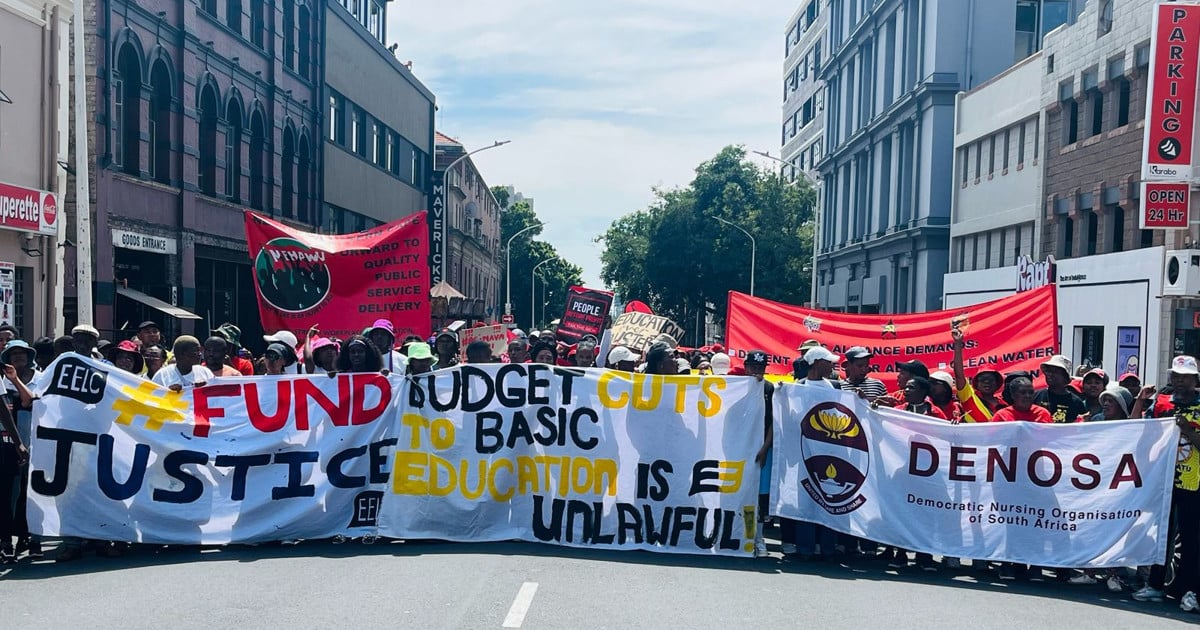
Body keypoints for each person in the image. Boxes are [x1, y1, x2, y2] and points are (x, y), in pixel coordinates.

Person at [1133, 355, 1200, 609]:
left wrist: (1188, 430)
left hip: (1193, 482)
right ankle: (1155, 585)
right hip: (1162, 481)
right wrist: (1140, 401)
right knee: (1161, 536)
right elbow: (1137, 432)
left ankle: (1191, 590)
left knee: (1191, 539)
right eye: (1176, 376)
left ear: (1195, 379)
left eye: (1186, 377)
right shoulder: (1161, 405)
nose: (1180, 381)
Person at [0, 340, 38, 561]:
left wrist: (14, 379)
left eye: (21, 353)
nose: (17, 357)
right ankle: (6, 541)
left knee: (23, 493)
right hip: (9, 446)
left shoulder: (34, 378)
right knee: (5, 495)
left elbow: (28, 402)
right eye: (12, 354)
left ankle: (25, 537)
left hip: (19, 445)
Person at [745, 350, 775, 558]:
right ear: (746, 367)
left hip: (763, 449)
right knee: (744, 493)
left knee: (761, 496)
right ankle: (746, 535)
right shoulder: (734, 387)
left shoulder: (769, 388)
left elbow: (774, 421)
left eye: (761, 367)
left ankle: (759, 537)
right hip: (741, 449)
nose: (757, 371)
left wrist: (765, 448)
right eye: (754, 367)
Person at [951, 329, 1006, 423]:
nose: (987, 382)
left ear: (997, 384)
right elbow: (959, 375)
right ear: (977, 383)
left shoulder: (1004, 405)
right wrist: (958, 344)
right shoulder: (969, 396)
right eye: (983, 379)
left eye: (991, 380)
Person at [1036, 355, 1087, 423]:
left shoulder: (1076, 403)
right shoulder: (1036, 396)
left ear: (1065, 377)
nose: (1050, 374)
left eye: (1055, 372)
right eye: (1048, 371)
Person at [989, 377, 1054, 424]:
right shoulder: (1002, 416)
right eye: (1023, 392)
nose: (1027, 396)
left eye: (1031, 392)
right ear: (1013, 395)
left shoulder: (1043, 414)